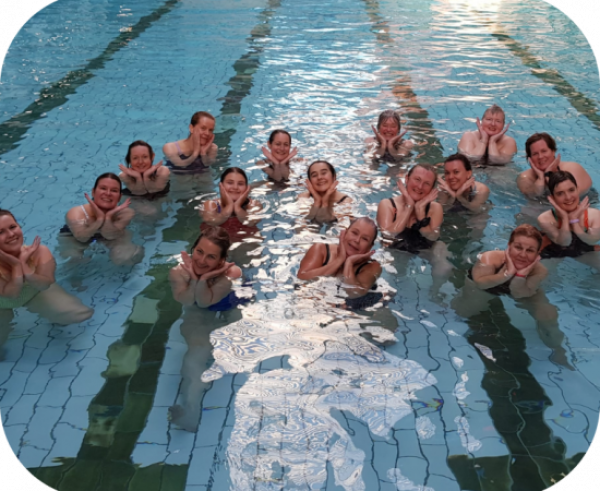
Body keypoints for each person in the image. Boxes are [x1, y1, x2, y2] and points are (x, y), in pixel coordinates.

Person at [454, 224, 571, 369]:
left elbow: (519, 294)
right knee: (463, 312)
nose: (522, 254)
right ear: (509, 246)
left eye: (530, 250)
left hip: (523, 287)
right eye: (518, 247)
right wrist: (507, 273)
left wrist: (521, 274)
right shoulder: (490, 258)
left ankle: (557, 348)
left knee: (548, 314)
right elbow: (481, 284)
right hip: (487, 284)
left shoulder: (539, 271)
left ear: (537, 253)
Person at [0, 209, 93, 328]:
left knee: (79, 314)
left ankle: (52, 315)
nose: (11, 234)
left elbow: (44, 285)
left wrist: (24, 266)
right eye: (1, 232)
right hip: (1, 305)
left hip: (34, 293)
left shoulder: (40, 252)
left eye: (12, 227)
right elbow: (12, 294)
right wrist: (16, 266)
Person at [62, 173, 143, 265]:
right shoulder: (77, 213)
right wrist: (99, 220)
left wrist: (108, 217)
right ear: (93, 192)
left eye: (114, 190)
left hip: (109, 233)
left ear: (119, 197)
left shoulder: (126, 213)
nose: (108, 193)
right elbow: (82, 238)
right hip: (74, 237)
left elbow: (110, 236)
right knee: (73, 260)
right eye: (103, 188)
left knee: (127, 256)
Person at [297, 217, 382, 303]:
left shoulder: (372, 266)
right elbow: (302, 277)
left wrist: (349, 262)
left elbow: (354, 293)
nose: (357, 240)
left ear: (370, 247)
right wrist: (339, 260)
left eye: (365, 239)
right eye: (354, 233)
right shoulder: (321, 249)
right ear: (345, 233)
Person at [169, 226, 242, 309]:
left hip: (231, 304)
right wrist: (194, 279)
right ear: (193, 248)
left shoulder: (231, 272)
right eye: (199, 251)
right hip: (200, 307)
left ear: (220, 260)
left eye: (211, 256)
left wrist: (203, 279)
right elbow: (186, 302)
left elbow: (204, 303)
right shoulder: (178, 271)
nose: (202, 261)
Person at [537, 171, 600, 264]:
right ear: (552, 198)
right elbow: (564, 242)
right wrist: (565, 219)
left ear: (577, 189)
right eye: (560, 193)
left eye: (571, 190)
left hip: (584, 249)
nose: (568, 197)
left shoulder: (594, 215)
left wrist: (574, 221)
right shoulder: (545, 219)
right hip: (553, 250)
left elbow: (591, 240)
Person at [517, 132, 592, 197]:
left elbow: (570, 199)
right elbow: (534, 197)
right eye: (535, 154)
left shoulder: (572, 168)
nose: (540, 156)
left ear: (553, 151)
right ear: (530, 158)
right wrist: (541, 178)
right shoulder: (525, 178)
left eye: (544, 151)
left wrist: (548, 175)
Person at [201, 167, 263, 233]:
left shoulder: (254, 204)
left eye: (240, 184)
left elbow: (251, 222)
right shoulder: (210, 204)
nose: (235, 187)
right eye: (230, 183)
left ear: (246, 188)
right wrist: (229, 205)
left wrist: (237, 207)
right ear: (221, 185)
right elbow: (212, 222)